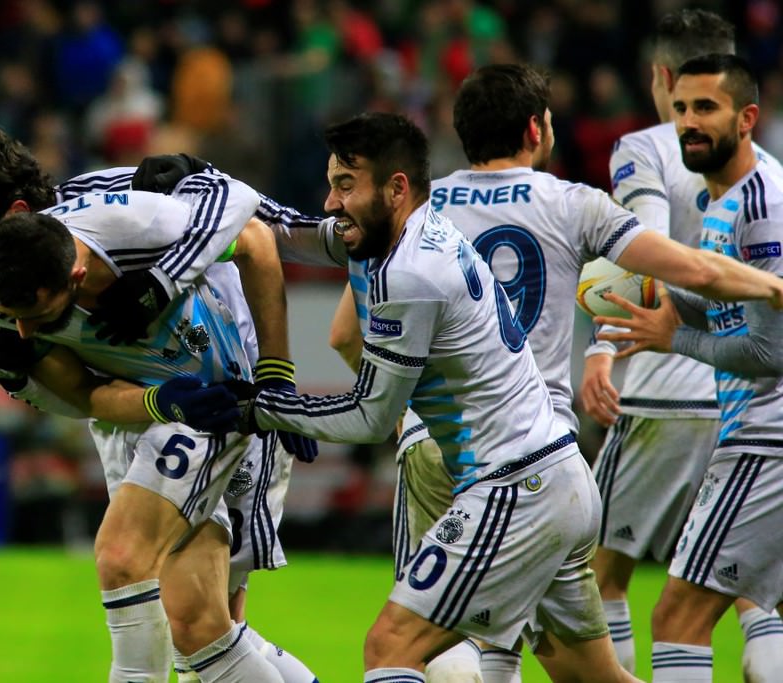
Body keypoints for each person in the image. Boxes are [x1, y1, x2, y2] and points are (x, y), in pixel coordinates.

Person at [252, 63, 783, 683]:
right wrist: (772, 286)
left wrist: (400, 405)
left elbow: (346, 333)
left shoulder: (415, 211)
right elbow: (694, 270)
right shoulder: (573, 203)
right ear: (536, 128)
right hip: (553, 449)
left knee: (418, 648)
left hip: (470, 454)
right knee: (584, 673)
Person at [221, 110, 642, 683]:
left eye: (345, 185)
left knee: (391, 645)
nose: (330, 202)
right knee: (594, 679)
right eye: (331, 184)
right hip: (556, 476)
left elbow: (370, 417)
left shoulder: (412, 274)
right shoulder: (402, 232)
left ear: (396, 188)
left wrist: (258, 408)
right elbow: (291, 235)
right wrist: (205, 196)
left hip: (513, 486)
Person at [0, 126, 317, 682]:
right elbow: (81, 396)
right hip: (145, 411)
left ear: (15, 215)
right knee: (202, 633)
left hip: (226, 394)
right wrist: (24, 380)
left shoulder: (119, 210)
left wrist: (273, 372)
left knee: (147, 580)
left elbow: (254, 224)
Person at [578, 10, 783, 679]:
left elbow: (770, 352)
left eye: (706, 108)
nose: (689, 121)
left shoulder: (759, 203)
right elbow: (713, 297)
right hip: (733, 419)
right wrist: (663, 312)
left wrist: (656, 337)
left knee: (645, 598)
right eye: (685, 108)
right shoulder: (726, 196)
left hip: (746, 427)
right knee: (756, 598)